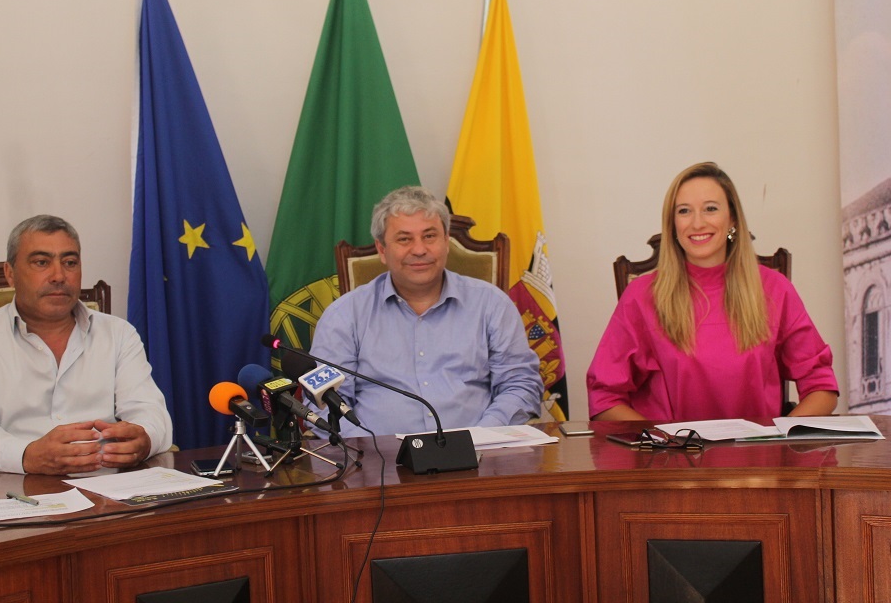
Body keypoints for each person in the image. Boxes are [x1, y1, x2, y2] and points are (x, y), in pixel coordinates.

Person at [587, 162, 838, 421]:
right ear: (672, 224)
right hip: (670, 458)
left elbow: (822, 387)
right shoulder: (641, 296)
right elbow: (604, 397)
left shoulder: (775, 289)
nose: (697, 223)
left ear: (732, 219)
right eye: (684, 211)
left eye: (710, 209)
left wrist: (780, 440)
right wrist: (659, 443)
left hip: (759, 458)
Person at [0, 215, 173, 475]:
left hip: (106, 492)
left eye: (70, 262)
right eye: (41, 262)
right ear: (10, 274)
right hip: (9, 492)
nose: (59, 275)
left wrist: (144, 438)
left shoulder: (118, 334)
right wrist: (27, 455)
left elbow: (151, 412)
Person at [307, 186, 544, 437]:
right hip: (379, 466)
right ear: (382, 250)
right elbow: (323, 403)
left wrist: (483, 437)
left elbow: (521, 384)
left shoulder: (492, 305)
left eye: (430, 236)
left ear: (446, 242)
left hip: (479, 458)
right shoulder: (344, 315)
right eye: (404, 239)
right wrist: (371, 453)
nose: (419, 250)